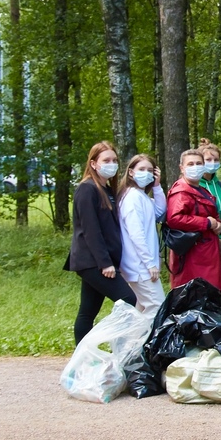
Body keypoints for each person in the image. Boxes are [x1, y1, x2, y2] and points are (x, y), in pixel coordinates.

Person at [65, 142, 138, 342]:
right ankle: (114, 343)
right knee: (128, 300)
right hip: (92, 262)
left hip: (102, 261)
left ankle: (82, 361)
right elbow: (91, 231)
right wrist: (104, 262)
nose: (111, 164)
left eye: (114, 160)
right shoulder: (87, 189)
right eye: (106, 160)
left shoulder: (106, 190)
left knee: (87, 312)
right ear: (94, 163)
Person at [166, 148, 221, 303]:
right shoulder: (180, 191)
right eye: (191, 164)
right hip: (191, 252)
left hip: (208, 251)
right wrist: (206, 223)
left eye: (199, 163)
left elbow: (214, 214)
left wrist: (219, 226)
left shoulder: (201, 190)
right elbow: (174, 218)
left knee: (213, 292)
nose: (195, 167)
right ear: (182, 168)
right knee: (191, 294)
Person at [118, 154, 167, 314]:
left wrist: (157, 186)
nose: (146, 173)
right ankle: (141, 339)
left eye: (150, 170)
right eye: (142, 169)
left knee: (140, 309)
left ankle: (128, 339)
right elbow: (136, 234)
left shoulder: (142, 196)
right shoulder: (131, 197)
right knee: (156, 307)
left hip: (143, 265)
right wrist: (149, 264)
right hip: (139, 266)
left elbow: (160, 212)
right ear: (131, 172)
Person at [196, 139, 221, 254]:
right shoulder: (193, 185)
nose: (212, 162)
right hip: (197, 245)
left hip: (218, 244)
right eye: (208, 159)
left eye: (216, 160)